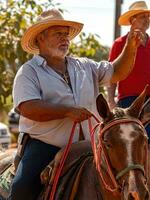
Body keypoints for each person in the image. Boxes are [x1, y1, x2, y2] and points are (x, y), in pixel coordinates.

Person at [9, 8, 144, 200]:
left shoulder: (84, 65)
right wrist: (67, 111)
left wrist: (131, 46)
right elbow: (28, 108)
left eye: (66, 34)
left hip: (92, 145)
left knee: (134, 174)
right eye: (58, 34)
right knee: (22, 189)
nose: (65, 38)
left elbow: (116, 71)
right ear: (40, 38)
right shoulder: (28, 72)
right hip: (46, 147)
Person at [106, 0, 150, 141]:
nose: (147, 20)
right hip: (127, 101)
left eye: (148, 16)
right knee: (131, 140)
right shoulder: (119, 44)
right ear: (132, 20)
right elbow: (111, 73)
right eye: (143, 16)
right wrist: (111, 101)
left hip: (149, 100)